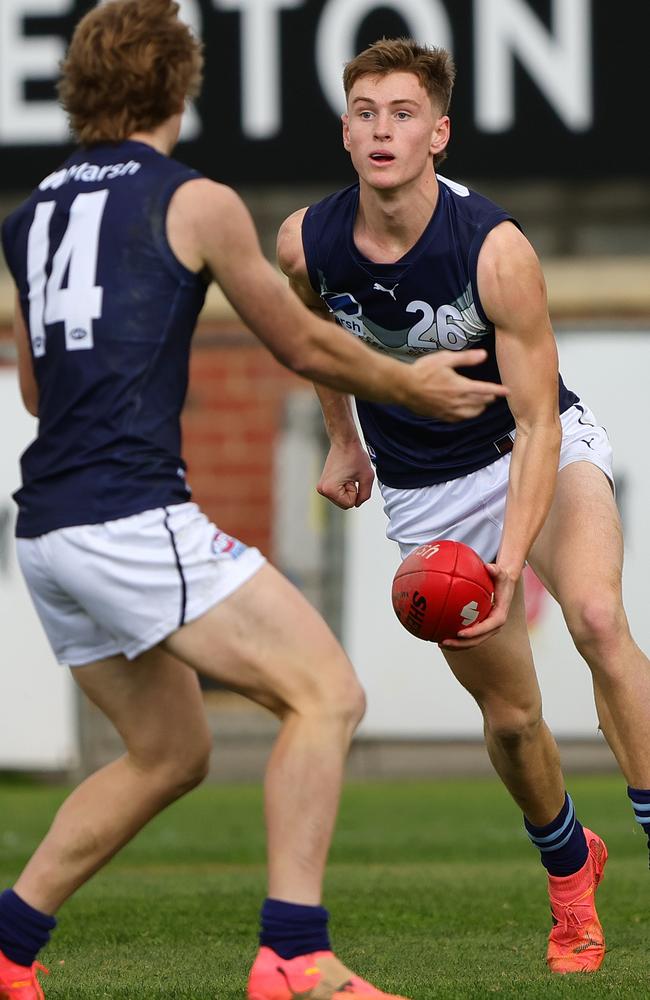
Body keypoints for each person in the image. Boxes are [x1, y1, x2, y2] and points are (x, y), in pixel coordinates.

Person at [0, 6, 512, 999]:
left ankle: (9, 943)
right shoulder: (192, 200)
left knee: (169, 749)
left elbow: (31, 386)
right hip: (127, 514)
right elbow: (300, 341)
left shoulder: (32, 214)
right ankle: (292, 955)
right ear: (178, 90)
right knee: (328, 691)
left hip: (49, 530)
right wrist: (412, 384)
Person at [278, 36, 650, 976]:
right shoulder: (305, 241)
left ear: (438, 133)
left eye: (403, 114)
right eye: (365, 112)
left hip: (530, 452)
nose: (382, 130)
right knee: (515, 721)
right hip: (424, 494)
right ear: (346, 132)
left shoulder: (496, 250)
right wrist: (343, 437)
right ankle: (572, 876)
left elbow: (536, 424)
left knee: (601, 620)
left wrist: (513, 559)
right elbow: (316, 338)